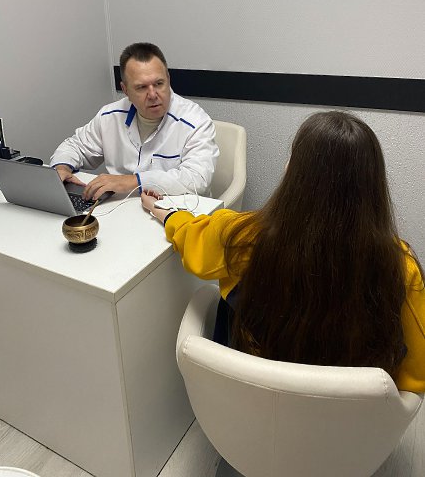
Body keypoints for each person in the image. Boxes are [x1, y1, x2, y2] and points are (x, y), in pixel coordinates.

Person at [142, 111, 425, 393]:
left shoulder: (243, 235)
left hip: (258, 395)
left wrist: (167, 213)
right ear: (373, 185)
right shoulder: (401, 265)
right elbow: (416, 375)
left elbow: (193, 239)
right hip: (350, 414)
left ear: (295, 173)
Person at [50, 42, 219, 200]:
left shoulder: (195, 121)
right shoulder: (109, 116)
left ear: (168, 79)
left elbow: (198, 180)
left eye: (159, 83)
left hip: (176, 212)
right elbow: (75, 146)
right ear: (125, 90)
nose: (152, 95)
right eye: (141, 87)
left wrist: (133, 181)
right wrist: (62, 167)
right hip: (120, 209)